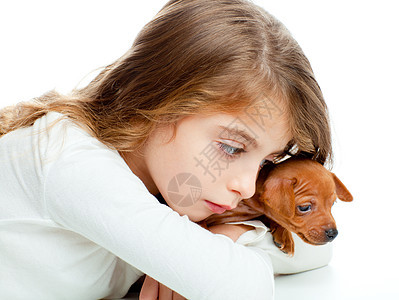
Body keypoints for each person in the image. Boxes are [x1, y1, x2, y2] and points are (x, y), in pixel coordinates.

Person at [0, 0, 333, 299]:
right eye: (232, 148)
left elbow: (318, 251)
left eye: (268, 161)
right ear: (157, 101)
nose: (247, 186)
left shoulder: (171, 187)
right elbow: (245, 287)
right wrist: (205, 258)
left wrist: (231, 230)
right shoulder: (69, 160)